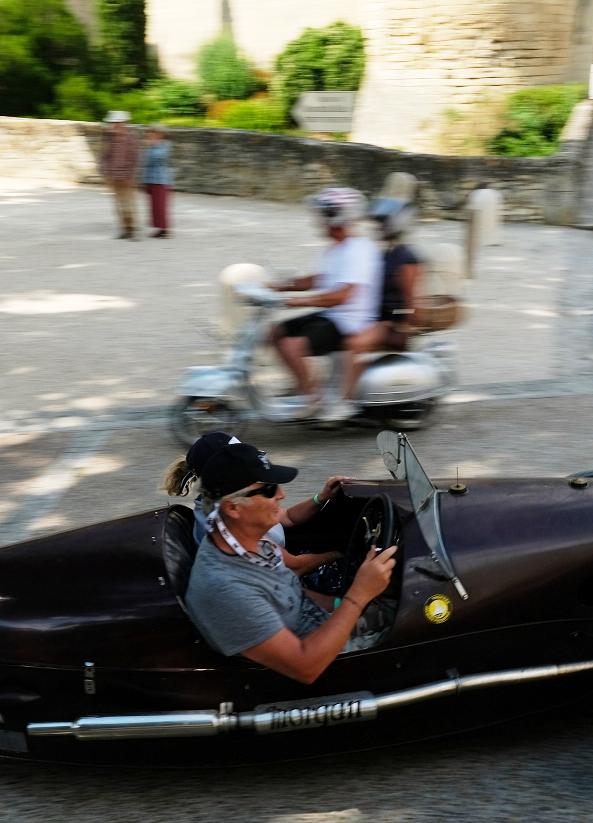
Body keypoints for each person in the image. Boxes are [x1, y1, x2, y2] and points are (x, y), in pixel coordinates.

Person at [184, 442, 398, 683]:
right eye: (268, 489)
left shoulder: (247, 541)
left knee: (393, 599)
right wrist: (358, 595)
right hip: (323, 664)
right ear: (233, 507)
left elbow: (290, 596)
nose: (281, 494)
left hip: (323, 626)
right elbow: (306, 667)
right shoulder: (225, 589)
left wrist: (342, 602)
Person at [266, 188, 382, 422]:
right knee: (274, 332)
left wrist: (299, 301)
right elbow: (319, 279)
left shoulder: (360, 250)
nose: (320, 221)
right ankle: (305, 384)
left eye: (324, 215)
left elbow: (343, 295)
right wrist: (280, 287)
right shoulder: (337, 249)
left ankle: (314, 399)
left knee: (291, 345)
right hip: (332, 315)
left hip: (349, 322)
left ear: (338, 217)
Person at [162, 431, 346, 576]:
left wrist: (321, 497)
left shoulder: (236, 498)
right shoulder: (226, 520)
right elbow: (295, 567)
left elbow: (287, 517)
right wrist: (340, 555)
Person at [338, 197, 423, 408]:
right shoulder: (386, 254)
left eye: (383, 223)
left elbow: (413, 301)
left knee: (353, 343)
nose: (378, 228)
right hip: (378, 323)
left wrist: (403, 325)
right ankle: (347, 392)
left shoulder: (407, 258)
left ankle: (345, 402)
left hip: (394, 328)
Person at [101, 110, 140, 239]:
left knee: (129, 204)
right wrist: (106, 174)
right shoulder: (109, 138)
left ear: (124, 123)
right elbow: (105, 156)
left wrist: (129, 175)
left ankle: (133, 229)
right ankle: (125, 229)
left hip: (127, 177)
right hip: (114, 176)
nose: (115, 125)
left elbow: (134, 158)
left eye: (118, 123)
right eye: (113, 123)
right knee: (118, 204)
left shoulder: (131, 138)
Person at [142, 127, 173, 238]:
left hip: (161, 180)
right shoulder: (150, 147)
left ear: (160, 135)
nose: (150, 137)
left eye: (153, 134)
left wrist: (153, 145)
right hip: (150, 179)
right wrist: (144, 180)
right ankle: (159, 229)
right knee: (154, 206)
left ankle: (164, 229)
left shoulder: (165, 145)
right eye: (150, 135)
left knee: (161, 206)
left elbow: (161, 158)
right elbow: (146, 163)